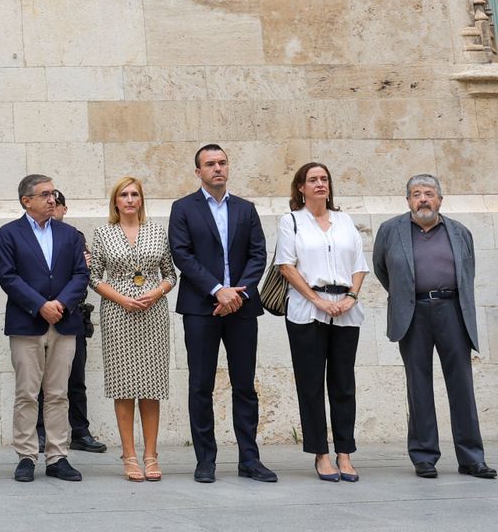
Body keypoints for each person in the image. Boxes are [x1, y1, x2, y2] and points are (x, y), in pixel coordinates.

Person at [372, 173, 495, 479]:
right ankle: (425, 457)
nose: (423, 199)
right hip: (413, 313)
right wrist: (406, 295)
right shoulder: (390, 231)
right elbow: (381, 268)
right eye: (416, 194)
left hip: (452, 310)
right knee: (419, 385)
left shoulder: (459, 231)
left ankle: (471, 458)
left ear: (440, 199)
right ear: (408, 200)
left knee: (462, 385)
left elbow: (468, 272)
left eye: (429, 193)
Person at [169, 144, 275, 484]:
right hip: (202, 308)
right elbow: (182, 255)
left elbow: (259, 254)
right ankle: (205, 460)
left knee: (244, 385)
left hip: (242, 307)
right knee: (201, 384)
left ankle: (249, 459)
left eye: (222, 162)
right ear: (198, 172)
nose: (218, 168)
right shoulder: (183, 208)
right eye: (210, 164)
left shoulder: (246, 209)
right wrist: (218, 290)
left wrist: (238, 292)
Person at [276, 162, 367, 483]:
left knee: (343, 383)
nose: (319, 184)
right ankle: (322, 454)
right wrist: (317, 301)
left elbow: (359, 265)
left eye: (324, 179)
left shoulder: (345, 220)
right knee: (311, 384)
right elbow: (286, 265)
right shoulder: (292, 222)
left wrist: (350, 298)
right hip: (306, 309)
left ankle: (345, 452)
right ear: (300, 187)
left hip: (345, 309)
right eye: (312, 180)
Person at [0, 174, 88, 483]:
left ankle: (57, 456)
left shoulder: (70, 235)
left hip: (64, 323)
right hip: (27, 324)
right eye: (46, 194)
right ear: (27, 201)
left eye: (54, 194)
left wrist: (60, 304)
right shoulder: (9, 234)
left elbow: (80, 274)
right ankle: (25, 456)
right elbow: (8, 278)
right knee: (27, 393)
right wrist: (40, 305)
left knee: (59, 393)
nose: (52, 199)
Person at [88, 176, 175, 482]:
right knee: (124, 386)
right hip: (117, 313)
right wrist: (122, 298)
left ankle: (151, 455)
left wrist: (157, 292)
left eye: (134, 194)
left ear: (141, 200)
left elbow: (170, 274)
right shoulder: (103, 233)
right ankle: (129, 455)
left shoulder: (156, 231)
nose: (129, 199)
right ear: (115, 201)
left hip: (153, 313)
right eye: (123, 195)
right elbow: (95, 277)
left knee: (151, 387)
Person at [37, 190, 107, 456]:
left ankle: (80, 431)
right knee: (41, 380)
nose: (52, 208)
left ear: (64, 209)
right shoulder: (33, 237)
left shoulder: (75, 238)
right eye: (48, 203)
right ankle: (41, 432)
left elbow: (84, 276)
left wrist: (62, 303)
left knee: (76, 379)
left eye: (57, 205)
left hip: (71, 316)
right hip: (39, 316)